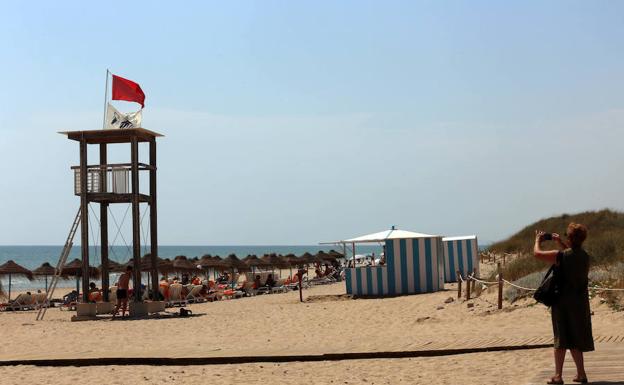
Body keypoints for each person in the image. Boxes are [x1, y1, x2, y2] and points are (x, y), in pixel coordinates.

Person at [534, 223, 594, 385]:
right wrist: (560, 242)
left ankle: (558, 376)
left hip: (562, 302)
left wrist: (538, 240)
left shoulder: (561, 256)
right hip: (580, 303)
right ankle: (581, 374)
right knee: (574, 338)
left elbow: (537, 254)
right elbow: (571, 251)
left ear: (570, 238)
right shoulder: (584, 255)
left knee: (561, 338)